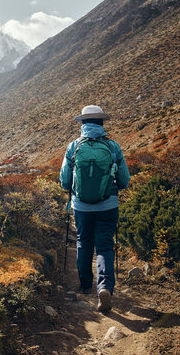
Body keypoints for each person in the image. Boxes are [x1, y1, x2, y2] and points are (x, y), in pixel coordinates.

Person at [59, 105, 130, 311]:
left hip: (81, 206)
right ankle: (105, 287)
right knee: (105, 246)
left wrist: (71, 188)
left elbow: (64, 180)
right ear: (102, 123)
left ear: (82, 124)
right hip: (108, 205)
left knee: (83, 241)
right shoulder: (113, 147)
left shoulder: (73, 147)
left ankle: (84, 284)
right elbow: (124, 180)